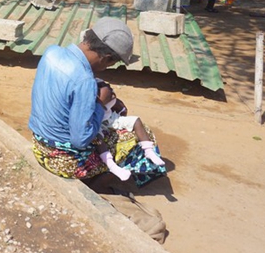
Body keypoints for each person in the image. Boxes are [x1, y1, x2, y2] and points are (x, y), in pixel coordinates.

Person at [29, 17, 167, 187]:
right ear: (106, 58)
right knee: (143, 135)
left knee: (107, 127)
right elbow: (81, 139)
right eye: (111, 64)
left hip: (38, 144)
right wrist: (101, 104)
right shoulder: (84, 81)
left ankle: (97, 174)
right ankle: (95, 187)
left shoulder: (52, 52)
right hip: (61, 158)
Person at [95, 79, 165, 181]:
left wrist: (120, 112)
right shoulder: (90, 99)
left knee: (136, 120)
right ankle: (111, 166)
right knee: (98, 137)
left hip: (110, 120)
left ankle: (148, 151)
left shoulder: (107, 92)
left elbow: (121, 108)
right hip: (96, 124)